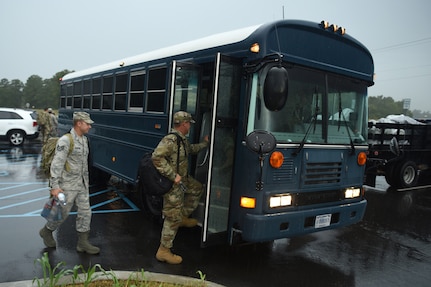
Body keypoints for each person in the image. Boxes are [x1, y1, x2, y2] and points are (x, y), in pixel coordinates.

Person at [39, 112, 100, 255]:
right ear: (79, 123)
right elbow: (57, 164)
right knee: (61, 213)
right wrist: (55, 186)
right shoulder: (66, 140)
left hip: (82, 184)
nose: (90, 126)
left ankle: (83, 243)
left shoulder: (84, 140)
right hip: (67, 185)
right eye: (87, 123)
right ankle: (46, 231)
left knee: (86, 212)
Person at [152, 111, 209, 264]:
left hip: (183, 179)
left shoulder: (182, 140)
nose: (189, 126)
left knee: (197, 188)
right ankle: (163, 251)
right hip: (173, 184)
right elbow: (156, 157)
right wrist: (173, 175)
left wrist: (205, 144)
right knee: (172, 216)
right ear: (184, 124)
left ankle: (183, 217)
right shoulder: (170, 140)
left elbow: (191, 150)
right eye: (189, 123)